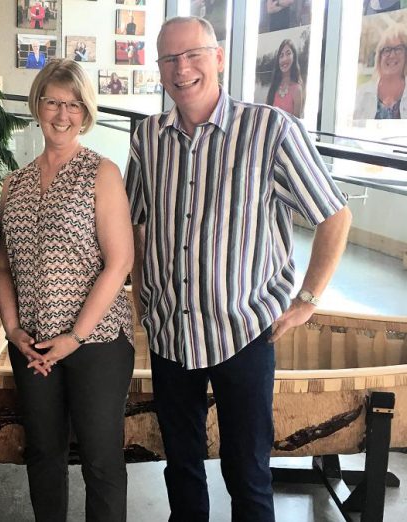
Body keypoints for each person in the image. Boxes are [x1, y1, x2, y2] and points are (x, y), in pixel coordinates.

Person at [125, 16, 352, 521]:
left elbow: (334, 215)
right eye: (169, 59)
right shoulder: (148, 139)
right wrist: (142, 298)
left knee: (246, 472)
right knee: (180, 467)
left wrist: (308, 300)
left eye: (193, 55)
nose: (182, 68)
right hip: (171, 335)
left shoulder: (269, 129)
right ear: (159, 69)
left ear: (219, 58)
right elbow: (137, 224)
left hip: (243, 333)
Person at [0, 58, 135, 522]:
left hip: (94, 344)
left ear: (85, 112)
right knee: (44, 455)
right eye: (53, 101)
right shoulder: (13, 183)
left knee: (100, 459)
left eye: (73, 104)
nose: (61, 113)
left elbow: (119, 263)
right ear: (37, 104)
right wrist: (13, 330)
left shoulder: (102, 173)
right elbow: (3, 266)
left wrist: (74, 337)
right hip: (32, 346)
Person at [354, 26, 407, 120]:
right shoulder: (361, 94)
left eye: (399, 49)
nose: (392, 55)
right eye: (387, 50)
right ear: (379, 56)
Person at [266, 39, 304, 117]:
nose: (284, 59)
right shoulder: (274, 86)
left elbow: (295, 124)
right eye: (281, 55)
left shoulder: (297, 89)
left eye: (288, 54)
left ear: (294, 57)